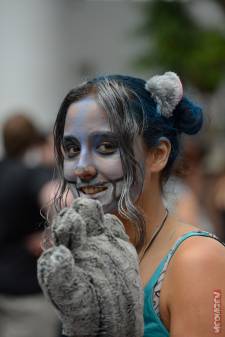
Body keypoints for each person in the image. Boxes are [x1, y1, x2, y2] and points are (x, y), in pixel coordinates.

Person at [38, 72, 225, 337]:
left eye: (105, 146)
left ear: (157, 155)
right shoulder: (89, 254)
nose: (81, 168)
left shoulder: (197, 260)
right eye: (71, 150)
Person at [0, 114, 59, 337]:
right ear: (35, 140)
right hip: (27, 295)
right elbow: (54, 197)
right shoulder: (32, 175)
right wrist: (54, 233)